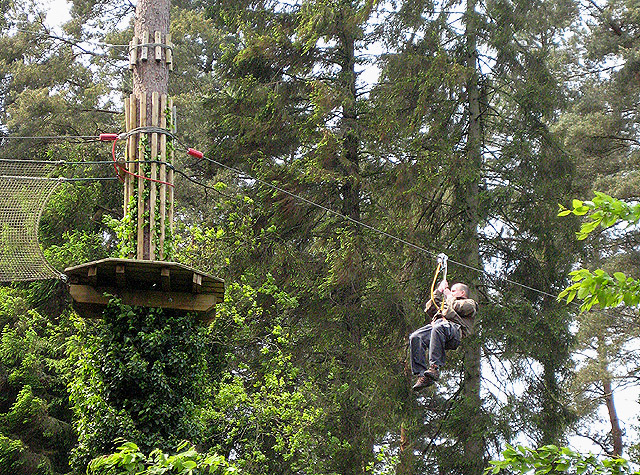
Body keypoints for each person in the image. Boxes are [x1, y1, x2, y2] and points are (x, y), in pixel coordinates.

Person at [409, 279, 477, 391]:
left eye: (454, 290)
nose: (450, 291)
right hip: (439, 328)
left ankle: (434, 367)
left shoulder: (470, 304)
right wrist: (439, 290)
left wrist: (449, 295)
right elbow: (430, 307)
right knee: (416, 337)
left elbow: (458, 307)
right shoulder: (446, 303)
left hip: (454, 331)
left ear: (462, 293)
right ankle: (422, 375)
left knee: (438, 327)